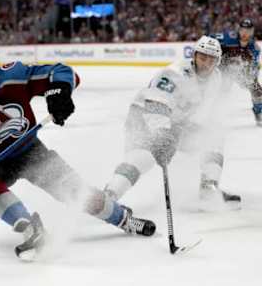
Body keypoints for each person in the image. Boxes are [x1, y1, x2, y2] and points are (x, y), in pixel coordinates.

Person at [0, 42, 155, 260]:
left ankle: (123, 218)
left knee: (76, 192)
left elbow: (61, 71)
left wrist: (59, 93)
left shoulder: (13, 75)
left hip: (31, 152)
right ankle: (31, 229)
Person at [101, 36, 241, 213]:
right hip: (142, 116)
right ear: (195, 56)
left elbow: (202, 110)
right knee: (144, 157)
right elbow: (156, 103)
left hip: (175, 122)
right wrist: (163, 135)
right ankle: (108, 198)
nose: (206, 63)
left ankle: (208, 188)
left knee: (213, 137)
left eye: (211, 59)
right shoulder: (175, 73)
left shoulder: (216, 78)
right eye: (202, 57)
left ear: (218, 61)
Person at [211, 18, 262, 126]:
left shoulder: (255, 48)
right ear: (238, 30)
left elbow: (254, 68)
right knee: (221, 91)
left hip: (241, 73)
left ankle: (259, 112)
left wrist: (251, 80)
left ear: (252, 32)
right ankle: (213, 114)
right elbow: (210, 39)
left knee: (257, 90)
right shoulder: (228, 38)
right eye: (243, 30)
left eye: (248, 31)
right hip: (223, 70)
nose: (245, 33)